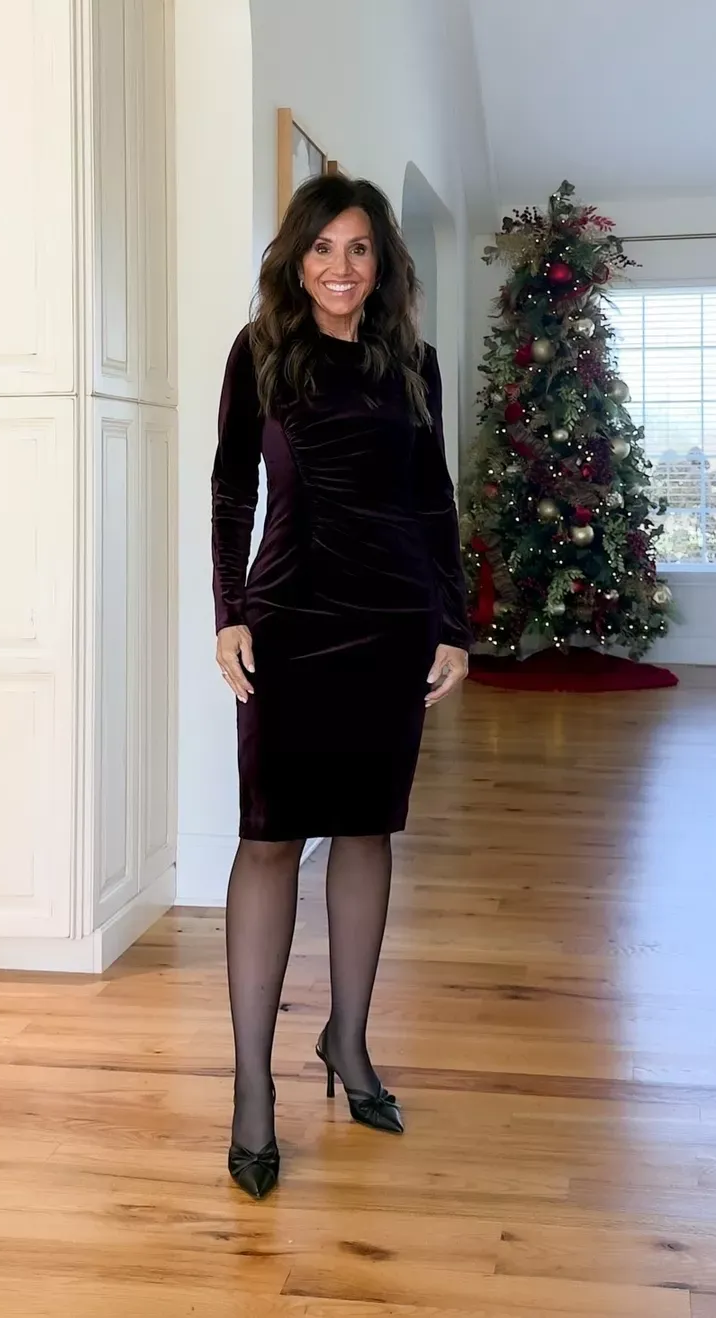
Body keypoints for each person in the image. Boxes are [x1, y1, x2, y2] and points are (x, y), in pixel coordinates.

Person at [211, 175, 471, 1199]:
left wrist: (452, 623)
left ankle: (349, 1044)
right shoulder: (261, 354)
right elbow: (233, 487)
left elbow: (434, 500)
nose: (341, 269)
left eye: (360, 250)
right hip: (290, 616)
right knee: (269, 837)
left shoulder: (415, 363)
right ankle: (249, 1091)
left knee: (366, 830)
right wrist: (229, 610)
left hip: (390, 619)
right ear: (295, 257)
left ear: (383, 264)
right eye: (323, 249)